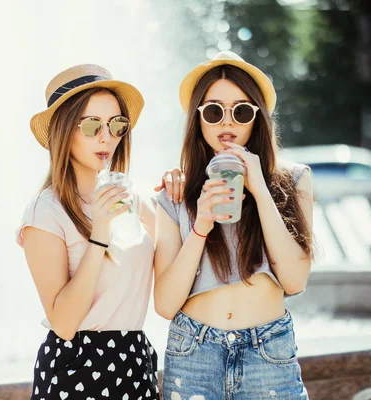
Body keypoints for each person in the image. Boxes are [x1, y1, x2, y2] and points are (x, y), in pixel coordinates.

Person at [154, 51, 314, 399]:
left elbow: (295, 279)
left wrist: (258, 186)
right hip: (193, 353)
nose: (227, 123)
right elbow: (165, 305)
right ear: (198, 119)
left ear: (258, 118)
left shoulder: (294, 180)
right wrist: (200, 226)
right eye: (213, 111)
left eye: (241, 111)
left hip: (267, 352)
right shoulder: (175, 192)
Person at [17, 64, 180, 399]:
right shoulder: (45, 211)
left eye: (116, 124)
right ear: (64, 130)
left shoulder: (131, 199)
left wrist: (178, 191)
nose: (106, 137)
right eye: (92, 125)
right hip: (75, 368)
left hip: (134, 363)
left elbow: (179, 250)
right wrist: (99, 235)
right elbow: (63, 323)